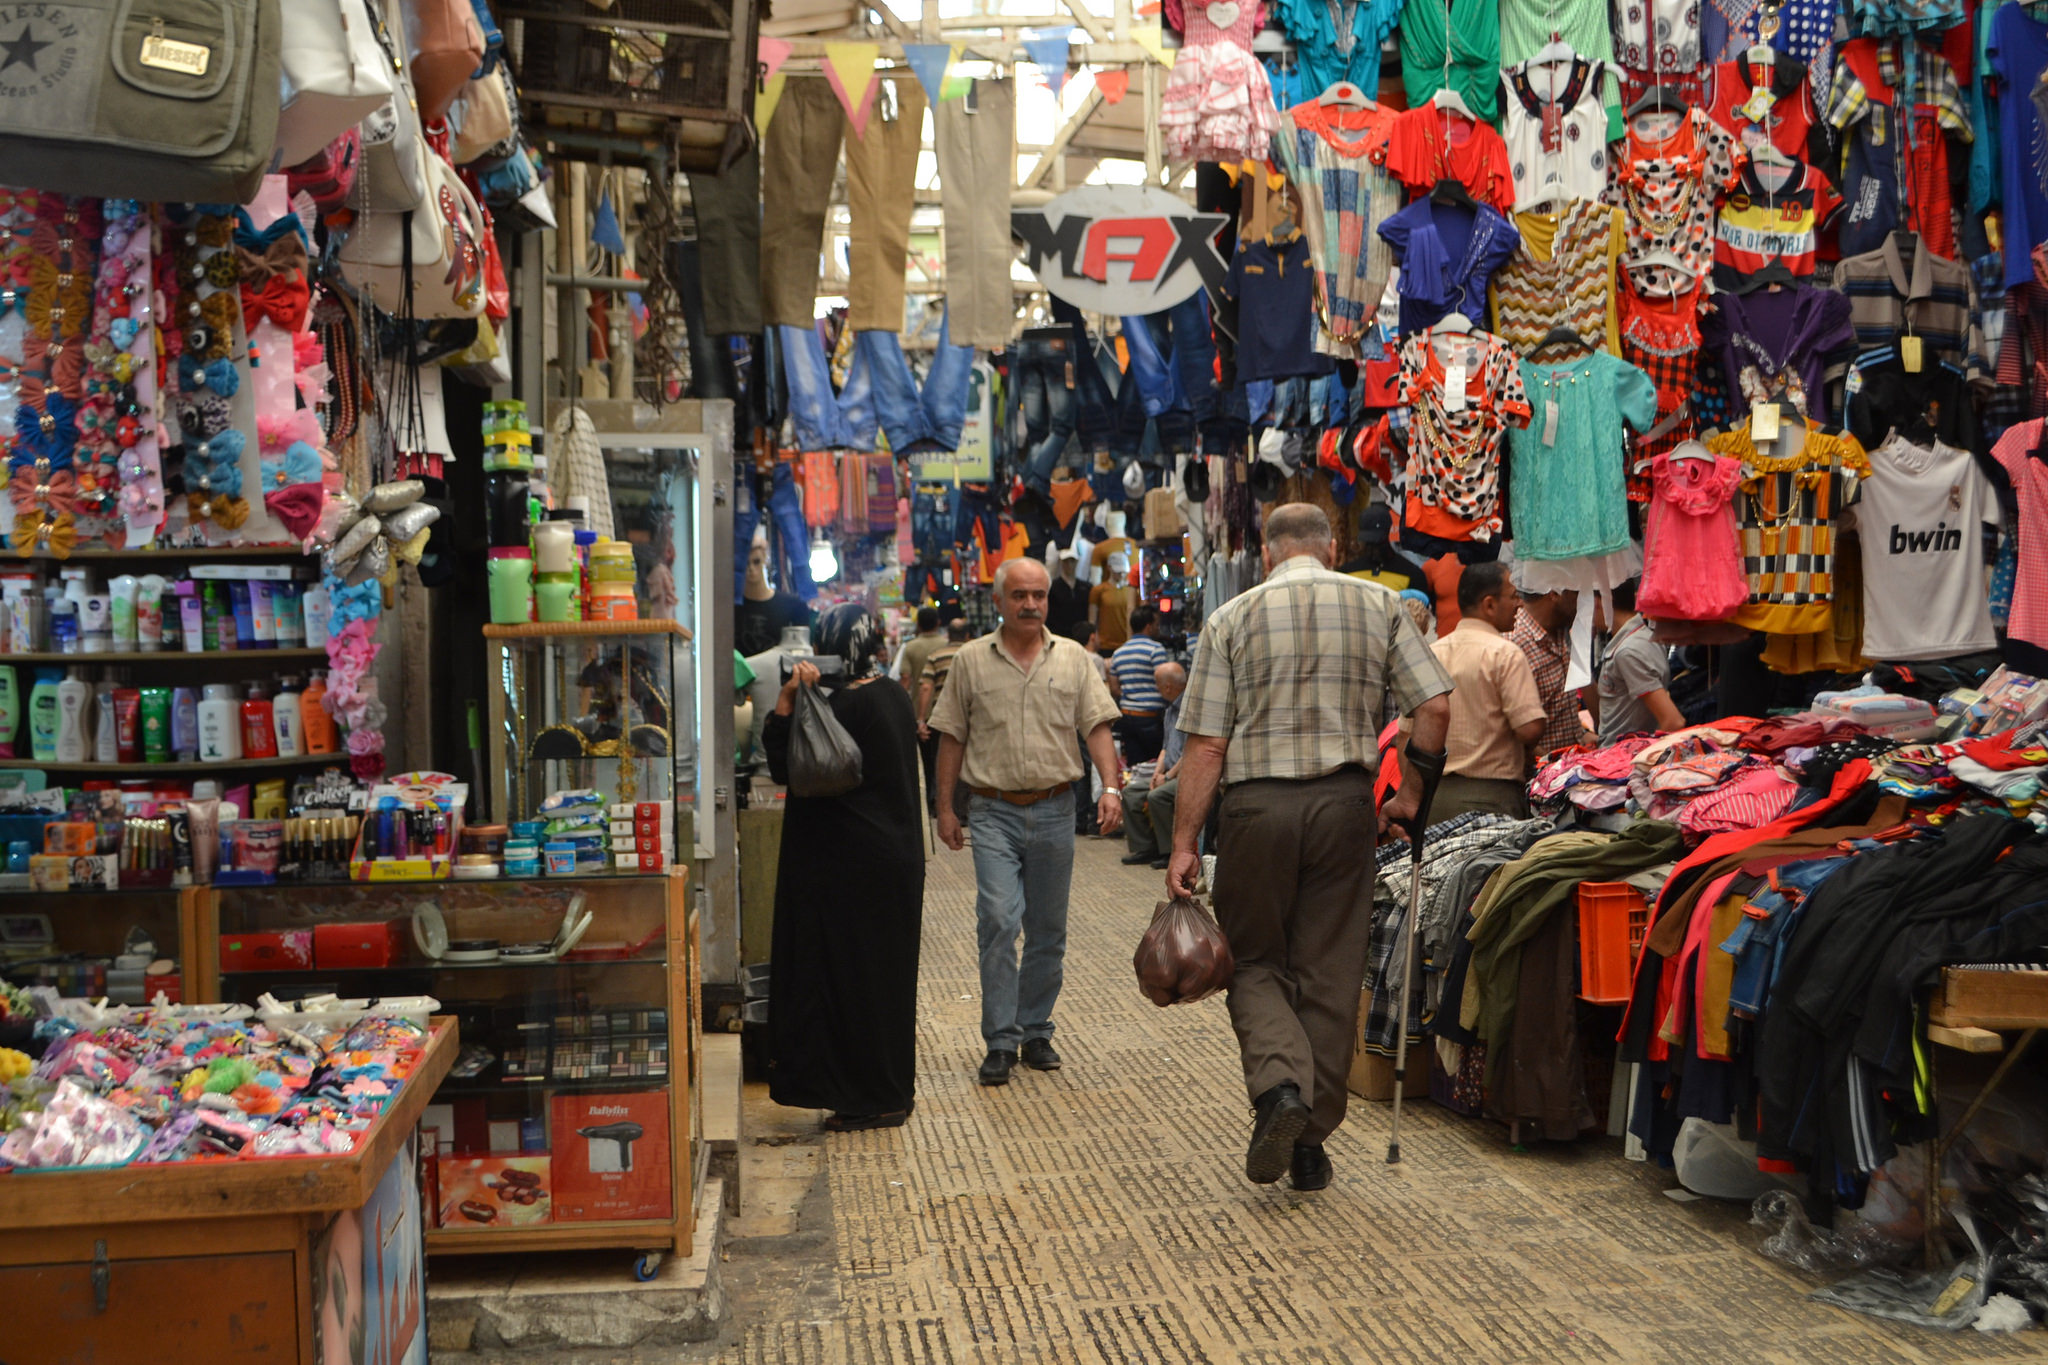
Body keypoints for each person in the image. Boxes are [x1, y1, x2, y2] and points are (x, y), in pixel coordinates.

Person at [1169, 503, 1452, 1191]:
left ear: (1267, 554)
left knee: (1254, 960)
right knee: (1329, 970)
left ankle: (1279, 1093)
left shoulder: (1230, 617)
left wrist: (1182, 842)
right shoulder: (1381, 605)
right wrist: (1410, 795)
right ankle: (1309, 1144)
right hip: (1345, 806)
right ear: (1331, 547)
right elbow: (1436, 707)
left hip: (1256, 810)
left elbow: (1206, 746)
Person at [930, 558, 1123, 1087]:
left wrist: (1110, 788)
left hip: (1057, 810)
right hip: (992, 810)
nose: (1031, 605)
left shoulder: (1074, 659)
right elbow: (951, 736)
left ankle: (1035, 1029)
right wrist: (945, 808)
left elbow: (1097, 727)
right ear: (998, 601)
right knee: (998, 919)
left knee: (1047, 930)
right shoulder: (971, 661)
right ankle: (1000, 1040)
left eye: (1039, 595)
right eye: (1019, 595)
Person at [760, 604, 926, 1131]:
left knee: (850, 983)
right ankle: (890, 1090)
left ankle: (870, 1099)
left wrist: (788, 702)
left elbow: (789, 767)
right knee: (884, 982)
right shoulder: (893, 694)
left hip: (850, 870)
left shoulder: (846, 707)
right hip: (892, 862)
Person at [1427, 562, 1546, 820]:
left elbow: (1407, 735)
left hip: (1436, 799)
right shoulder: (1505, 654)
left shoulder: (1432, 654)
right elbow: (1529, 729)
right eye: (1513, 596)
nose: (1520, 604)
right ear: (1489, 604)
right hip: (1493, 799)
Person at [1596, 578, 1685, 744]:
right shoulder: (1643, 636)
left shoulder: (1629, 652)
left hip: (1622, 756)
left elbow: (1673, 721)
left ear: (1597, 603)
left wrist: (1644, 756)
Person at [1510, 583, 1591, 761]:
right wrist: (1553, 762)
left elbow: (1558, 708)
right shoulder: (1515, 644)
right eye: (1577, 593)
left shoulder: (1562, 630)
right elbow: (1515, 731)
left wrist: (1583, 736)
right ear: (1555, 593)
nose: (1583, 602)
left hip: (1570, 763)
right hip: (1541, 771)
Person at [1120, 661, 1187, 868]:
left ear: (1167, 687)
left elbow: (1190, 753)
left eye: (1156, 684)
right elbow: (1165, 748)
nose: (1155, 688)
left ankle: (1169, 851)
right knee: (1131, 793)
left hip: (1186, 774)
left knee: (1157, 796)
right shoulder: (1169, 710)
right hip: (1169, 772)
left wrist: (1167, 777)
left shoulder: (1190, 709)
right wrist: (1157, 774)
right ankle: (1145, 847)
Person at [1107, 605, 1172, 765]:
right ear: (1148, 626)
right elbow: (1165, 682)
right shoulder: (1156, 649)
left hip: (1127, 717)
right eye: (1156, 625)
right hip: (1151, 718)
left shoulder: (1118, 653)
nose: (1158, 628)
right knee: (1155, 764)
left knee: (1135, 766)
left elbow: (1114, 689)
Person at [915, 618, 972, 739]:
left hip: (942, 718)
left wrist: (921, 720)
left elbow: (926, 687)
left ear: (948, 635)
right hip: (971, 716)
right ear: (967, 635)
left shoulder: (935, 656)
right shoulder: (975, 656)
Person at [1090, 553, 1135, 652]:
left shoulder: (1131, 591)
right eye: (1118, 571)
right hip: (1105, 645)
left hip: (1127, 644)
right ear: (1109, 568)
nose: (1121, 575)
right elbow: (1092, 620)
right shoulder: (1098, 590)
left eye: (1123, 572)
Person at [1047, 546, 1090, 638]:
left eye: (1072, 561)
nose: (1069, 565)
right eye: (1066, 561)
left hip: (1082, 636)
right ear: (1061, 562)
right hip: (1059, 635)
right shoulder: (1053, 588)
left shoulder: (1086, 588)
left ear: (1077, 562)